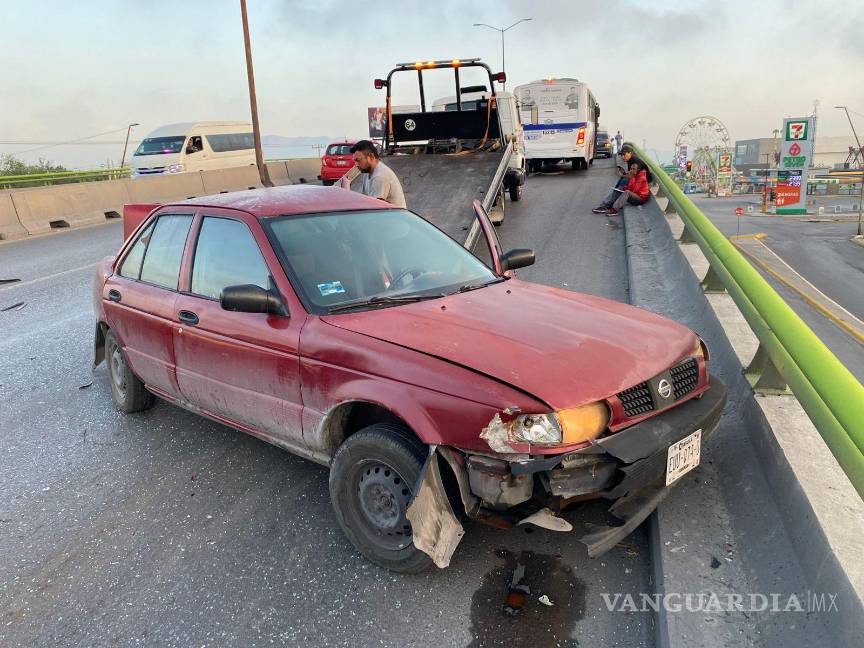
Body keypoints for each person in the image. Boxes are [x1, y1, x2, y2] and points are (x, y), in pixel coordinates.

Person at [350, 140, 406, 208]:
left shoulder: (379, 177)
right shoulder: (367, 172)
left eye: (358, 160)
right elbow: (365, 199)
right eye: (355, 161)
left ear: (371, 156)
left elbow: (375, 208)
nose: (356, 165)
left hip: (393, 217)